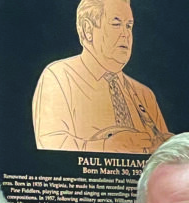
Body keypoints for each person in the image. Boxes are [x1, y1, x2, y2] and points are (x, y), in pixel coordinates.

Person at [32, 0, 170, 154]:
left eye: (129, 26)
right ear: (87, 29)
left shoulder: (145, 96)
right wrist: (106, 147)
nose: (126, 34)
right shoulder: (59, 77)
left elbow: (165, 163)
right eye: (116, 24)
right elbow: (51, 146)